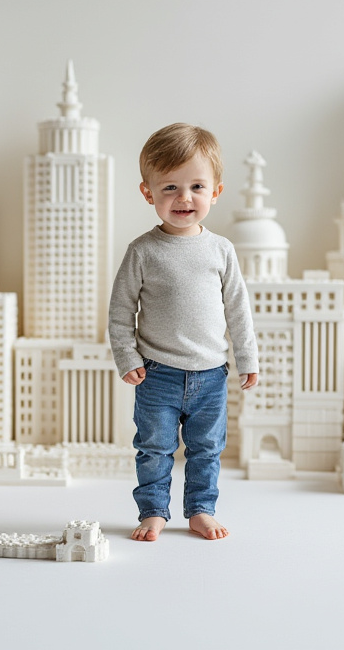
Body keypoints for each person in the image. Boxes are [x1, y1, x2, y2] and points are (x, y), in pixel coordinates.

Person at [108, 123, 259, 542]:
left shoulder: (221, 250)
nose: (183, 198)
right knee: (154, 448)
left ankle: (200, 509)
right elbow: (121, 310)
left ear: (216, 192)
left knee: (206, 450)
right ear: (148, 192)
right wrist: (127, 356)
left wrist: (248, 359)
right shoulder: (142, 251)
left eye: (196, 186)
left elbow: (238, 311)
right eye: (170, 187)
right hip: (156, 374)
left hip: (211, 374)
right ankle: (154, 511)